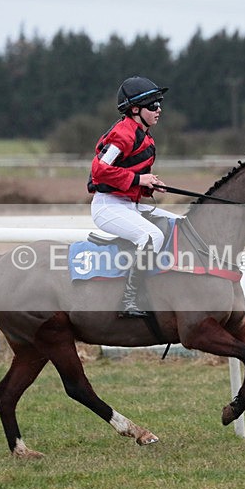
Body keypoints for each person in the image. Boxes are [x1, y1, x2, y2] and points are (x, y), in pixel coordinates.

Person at [87, 76, 179, 318]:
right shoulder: (123, 134)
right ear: (135, 110)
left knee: (176, 224)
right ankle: (128, 301)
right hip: (107, 207)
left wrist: (149, 186)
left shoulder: (144, 135)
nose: (159, 109)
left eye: (159, 104)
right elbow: (99, 170)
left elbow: (127, 177)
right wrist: (139, 180)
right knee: (151, 236)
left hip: (127, 205)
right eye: (153, 105)